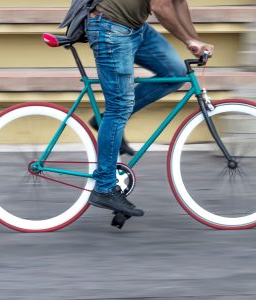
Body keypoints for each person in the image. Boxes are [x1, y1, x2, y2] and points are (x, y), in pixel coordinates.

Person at [86, 0, 214, 217]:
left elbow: (178, 3)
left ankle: (105, 120)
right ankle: (104, 188)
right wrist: (188, 40)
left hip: (135, 28)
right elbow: (161, 6)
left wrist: (196, 41)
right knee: (120, 105)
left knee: (175, 72)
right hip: (110, 29)